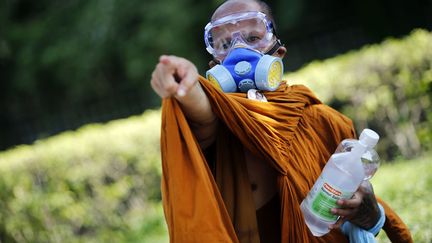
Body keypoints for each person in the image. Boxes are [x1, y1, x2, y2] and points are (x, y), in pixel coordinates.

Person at [151, 0, 413, 242]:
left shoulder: (321, 119)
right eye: (225, 44)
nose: (239, 50)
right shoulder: (220, 117)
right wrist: (184, 81)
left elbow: (352, 192)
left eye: (253, 38)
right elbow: (202, 112)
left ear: (278, 53)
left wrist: (372, 214)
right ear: (213, 64)